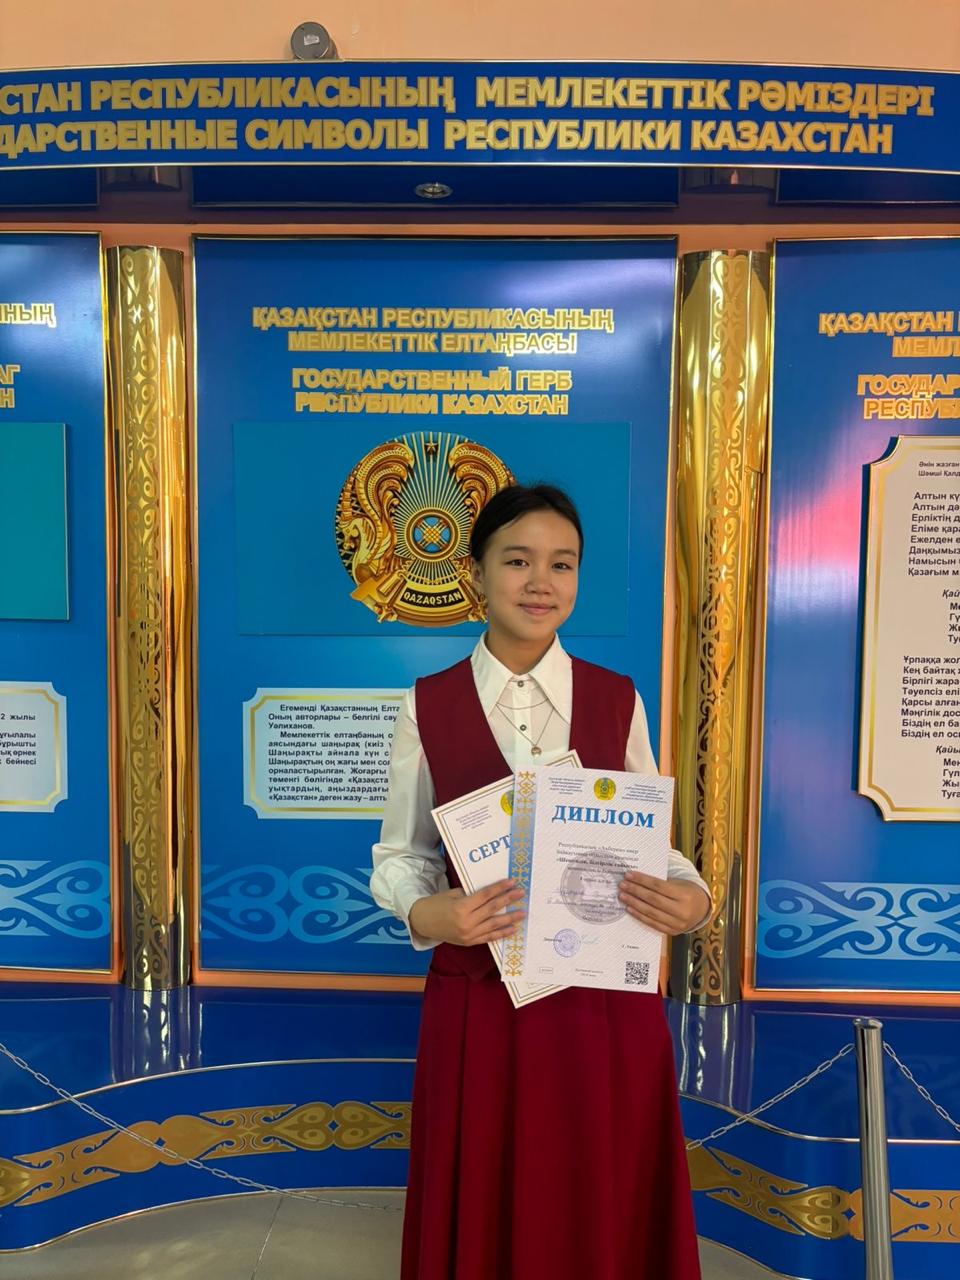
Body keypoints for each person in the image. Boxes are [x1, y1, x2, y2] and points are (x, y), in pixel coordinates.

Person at [371, 483, 710, 1280]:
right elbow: (400, 855)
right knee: (485, 1188)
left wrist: (692, 898)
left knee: (597, 1191)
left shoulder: (616, 698)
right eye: (517, 561)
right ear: (475, 573)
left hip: (602, 1006)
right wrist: (429, 913)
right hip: (480, 1000)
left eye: (562, 564)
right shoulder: (428, 705)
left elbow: (652, 845)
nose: (540, 582)